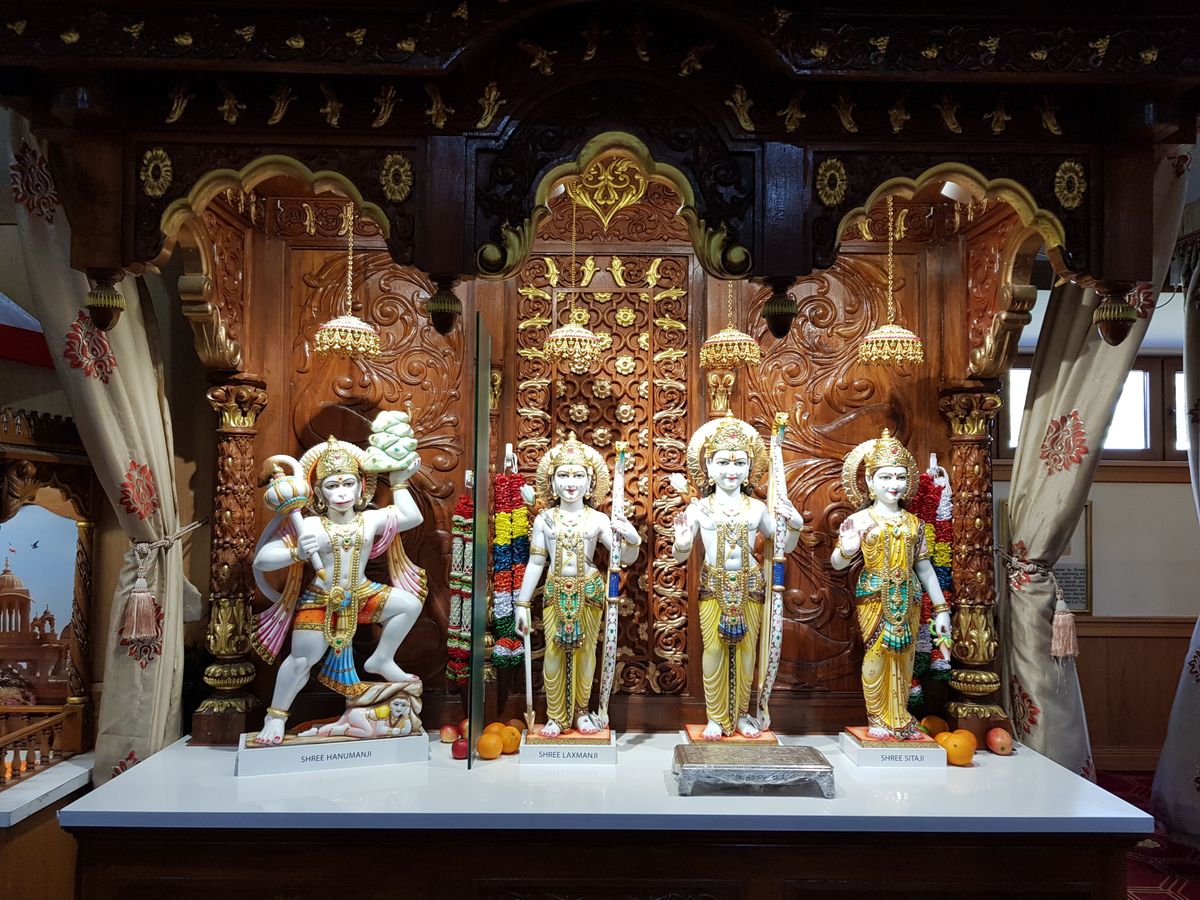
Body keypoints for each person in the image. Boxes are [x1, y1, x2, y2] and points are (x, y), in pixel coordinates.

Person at [250, 412, 426, 745]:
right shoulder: (310, 525)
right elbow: (262, 559)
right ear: (319, 492)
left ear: (361, 486)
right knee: (301, 660)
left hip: (361, 594)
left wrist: (399, 481)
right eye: (332, 485)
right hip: (321, 599)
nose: (342, 493)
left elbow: (411, 517)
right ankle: (276, 717)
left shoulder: (369, 520)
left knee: (408, 605)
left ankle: (382, 658)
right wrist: (297, 552)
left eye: (348, 484)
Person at [673, 414, 804, 740]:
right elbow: (679, 556)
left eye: (739, 463)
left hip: (751, 586)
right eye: (722, 462)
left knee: (746, 654)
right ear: (708, 466)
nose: (731, 470)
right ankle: (716, 717)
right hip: (713, 586)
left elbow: (782, 546)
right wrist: (683, 542)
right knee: (714, 652)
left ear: (749, 469)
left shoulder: (757, 509)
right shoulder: (698, 508)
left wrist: (796, 524)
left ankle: (743, 714)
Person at [514, 433, 640, 738]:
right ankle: (556, 716)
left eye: (578, 476)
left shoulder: (597, 519)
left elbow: (623, 557)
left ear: (590, 482)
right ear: (552, 482)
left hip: (589, 590)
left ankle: (582, 711)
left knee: (585, 653)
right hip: (555, 590)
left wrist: (633, 538)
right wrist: (522, 603)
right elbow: (536, 562)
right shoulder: (544, 519)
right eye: (563, 476)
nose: (570, 483)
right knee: (554, 653)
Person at [831, 428, 952, 740]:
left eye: (899, 477)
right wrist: (847, 548)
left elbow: (924, 569)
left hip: (909, 596)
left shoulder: (915, 524)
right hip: (874, 596)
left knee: (905, 657)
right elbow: (837, 563)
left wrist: (942, 610)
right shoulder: (860, 520)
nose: (893, 484)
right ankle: (876, 717)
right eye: (885, 477)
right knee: (876, 655)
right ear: (870, 481)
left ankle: (899, 716)